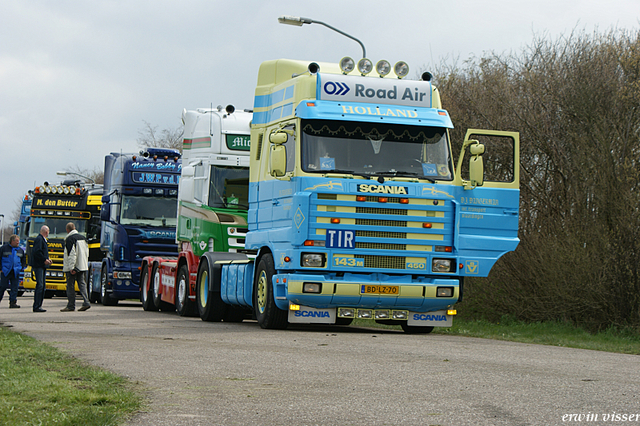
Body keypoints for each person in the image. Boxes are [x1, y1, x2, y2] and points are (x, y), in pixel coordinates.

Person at [60, 222, 90, 312]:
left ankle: (71, 305)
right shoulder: (83, 238)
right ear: (75, 228)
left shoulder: (69, 239)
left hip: (73, 267)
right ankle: (86, 301)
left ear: (67, 230)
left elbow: (72, 254)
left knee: (70, 286)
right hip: (82, 265)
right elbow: (86, 252)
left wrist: (71, 267)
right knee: (82, 284)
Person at [30, 225, 52, 312]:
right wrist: (44, 260)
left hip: (42, 266)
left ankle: (39, 305)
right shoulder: (39, 239)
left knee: (42, 286)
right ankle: (36, 306)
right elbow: (37, 252)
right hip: (39, 266)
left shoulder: (42, 240)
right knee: (40, 285)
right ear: (46, 232)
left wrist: (47, 259)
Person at [0, 235, 26, 308]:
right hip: (5, 271)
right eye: (17, 241)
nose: (18, 242)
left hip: (15, 271)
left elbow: (23, 260)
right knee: (2, 287)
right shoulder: (3, 249)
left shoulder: (20, 250)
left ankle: (13, 303)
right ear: (12, 241)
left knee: (14, 288)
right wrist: (0, 268)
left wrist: (21, 268)